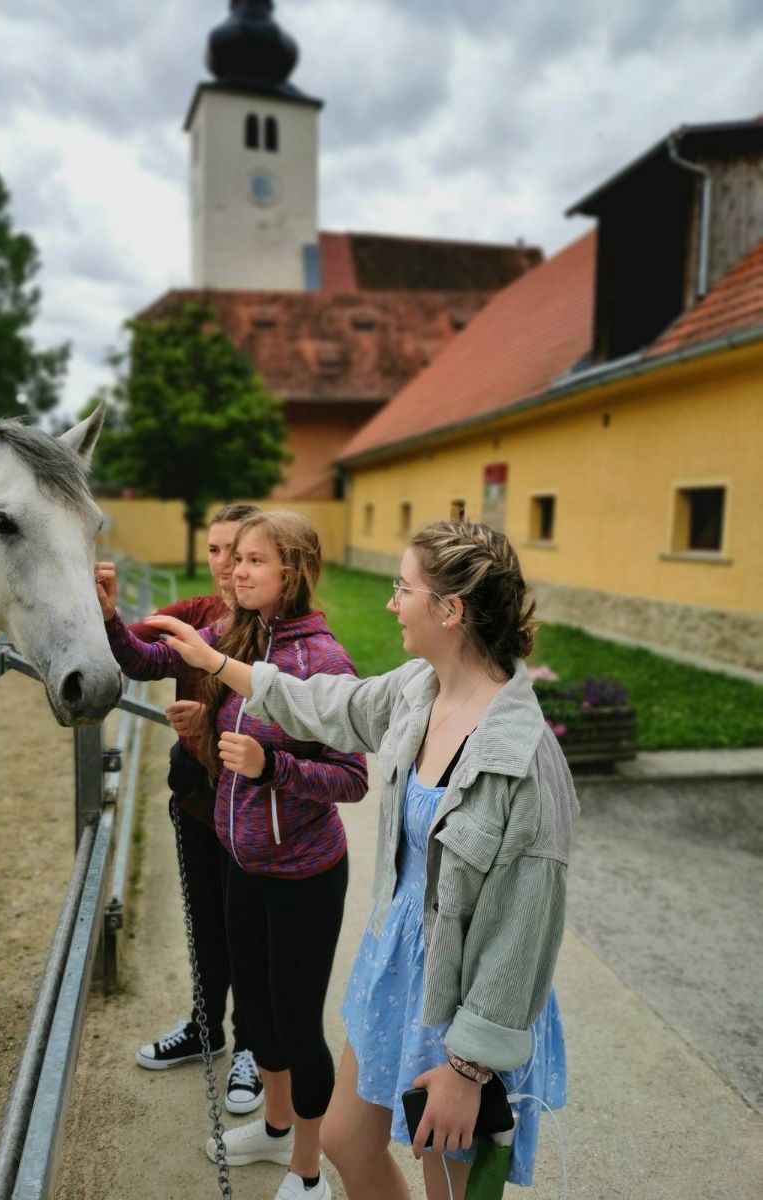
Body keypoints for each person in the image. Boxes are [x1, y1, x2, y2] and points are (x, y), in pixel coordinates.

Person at [150, 519, 579, 1200]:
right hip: (395, 970)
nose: (390, 602)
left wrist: (469, 1070)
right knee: (349, 1140)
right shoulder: (421, 688)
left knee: (453, 1192)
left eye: (402, 588)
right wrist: (215, 665)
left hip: (462, 997)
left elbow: (524, 934)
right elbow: (330, 703)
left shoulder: (524, 760)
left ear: (450, 609)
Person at [98, 510, 368, 1200]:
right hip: (242, 863)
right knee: (255, 1012)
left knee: (297, 1025)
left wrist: (269, 765)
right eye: (235, 557)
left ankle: (308, 1175)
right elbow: (150, 659)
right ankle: (275, 1130)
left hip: (304, 876)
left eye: (253, 561)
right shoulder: (236, 632)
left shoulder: (323, 661)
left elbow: (353, 778)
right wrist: (108, 619)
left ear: (293, 573)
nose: (235, 571)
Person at [96, 502, 265, 1115]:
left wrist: (212, 719)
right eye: (217, 551)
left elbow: (292, 714)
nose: (224, 565)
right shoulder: (193, 614)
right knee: (203, 919)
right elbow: (139, 655)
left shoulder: (279, 628)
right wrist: (106, 615)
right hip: (197, 798)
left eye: (239, 553)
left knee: (247, 928)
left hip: (255, 811)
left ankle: (252, 1045)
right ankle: (204, 1027)